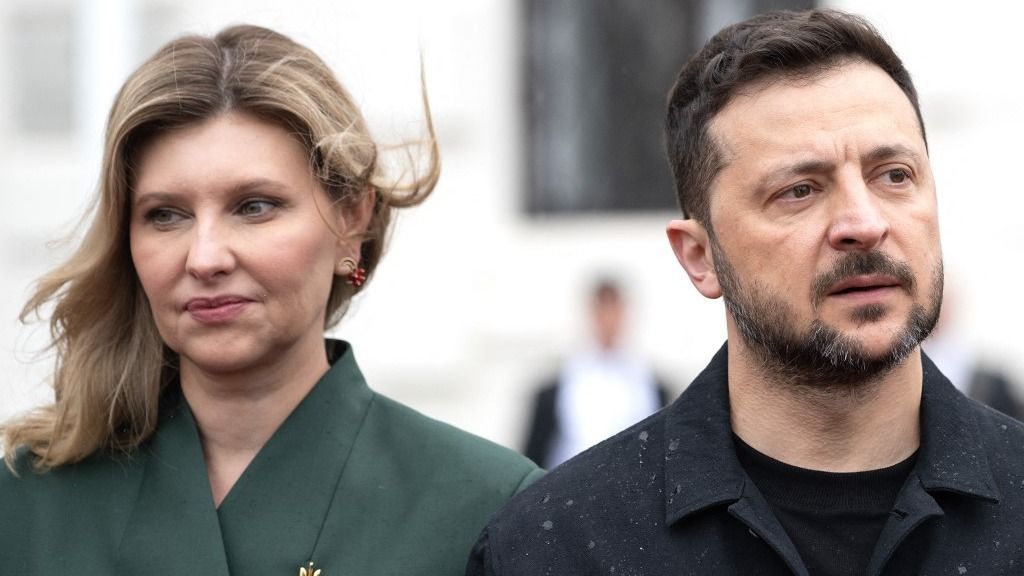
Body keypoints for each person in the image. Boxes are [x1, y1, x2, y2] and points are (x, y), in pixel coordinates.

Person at [467, 9, 1024, 575]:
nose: (864, 222)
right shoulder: (559, 549)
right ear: (700, 256)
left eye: (894, 175)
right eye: (799, 190)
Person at [0, 25, 540, 575]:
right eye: (166, 215)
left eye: (254, 206)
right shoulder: (27, 502)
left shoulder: (490, 510)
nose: (204, 258)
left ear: (351, 221)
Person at [522, 278, 670, 468]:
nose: (608, 321)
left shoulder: (652, 387)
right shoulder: (557, 389)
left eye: (614, 311)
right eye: (602, 312)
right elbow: (535, 453)